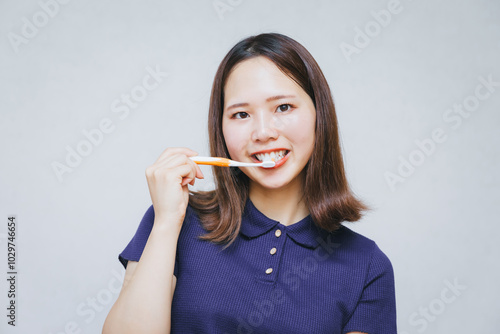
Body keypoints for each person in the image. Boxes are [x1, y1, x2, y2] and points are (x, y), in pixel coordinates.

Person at [103, 32, 397, 334]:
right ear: (221, 127)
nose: (263, 132)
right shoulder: (175, 219)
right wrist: (166, 221)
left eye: (283, 107)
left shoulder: (367, 266)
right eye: (241, 114)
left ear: (319, 114)